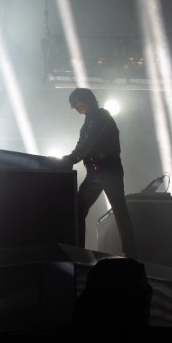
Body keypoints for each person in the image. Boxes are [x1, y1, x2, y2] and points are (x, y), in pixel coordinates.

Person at [62, 87, 136, 255]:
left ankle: (130, 253)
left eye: (78, 103)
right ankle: (78, 251)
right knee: (77, 209)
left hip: (109, 169)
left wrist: (71, 159)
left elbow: (90, 143)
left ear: (88, 100)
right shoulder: (85, 125)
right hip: (94, 172)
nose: (76, 107)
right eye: (75, 105)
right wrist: (69, 158)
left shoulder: (102, 115)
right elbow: (81, 145)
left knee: (119, 211)